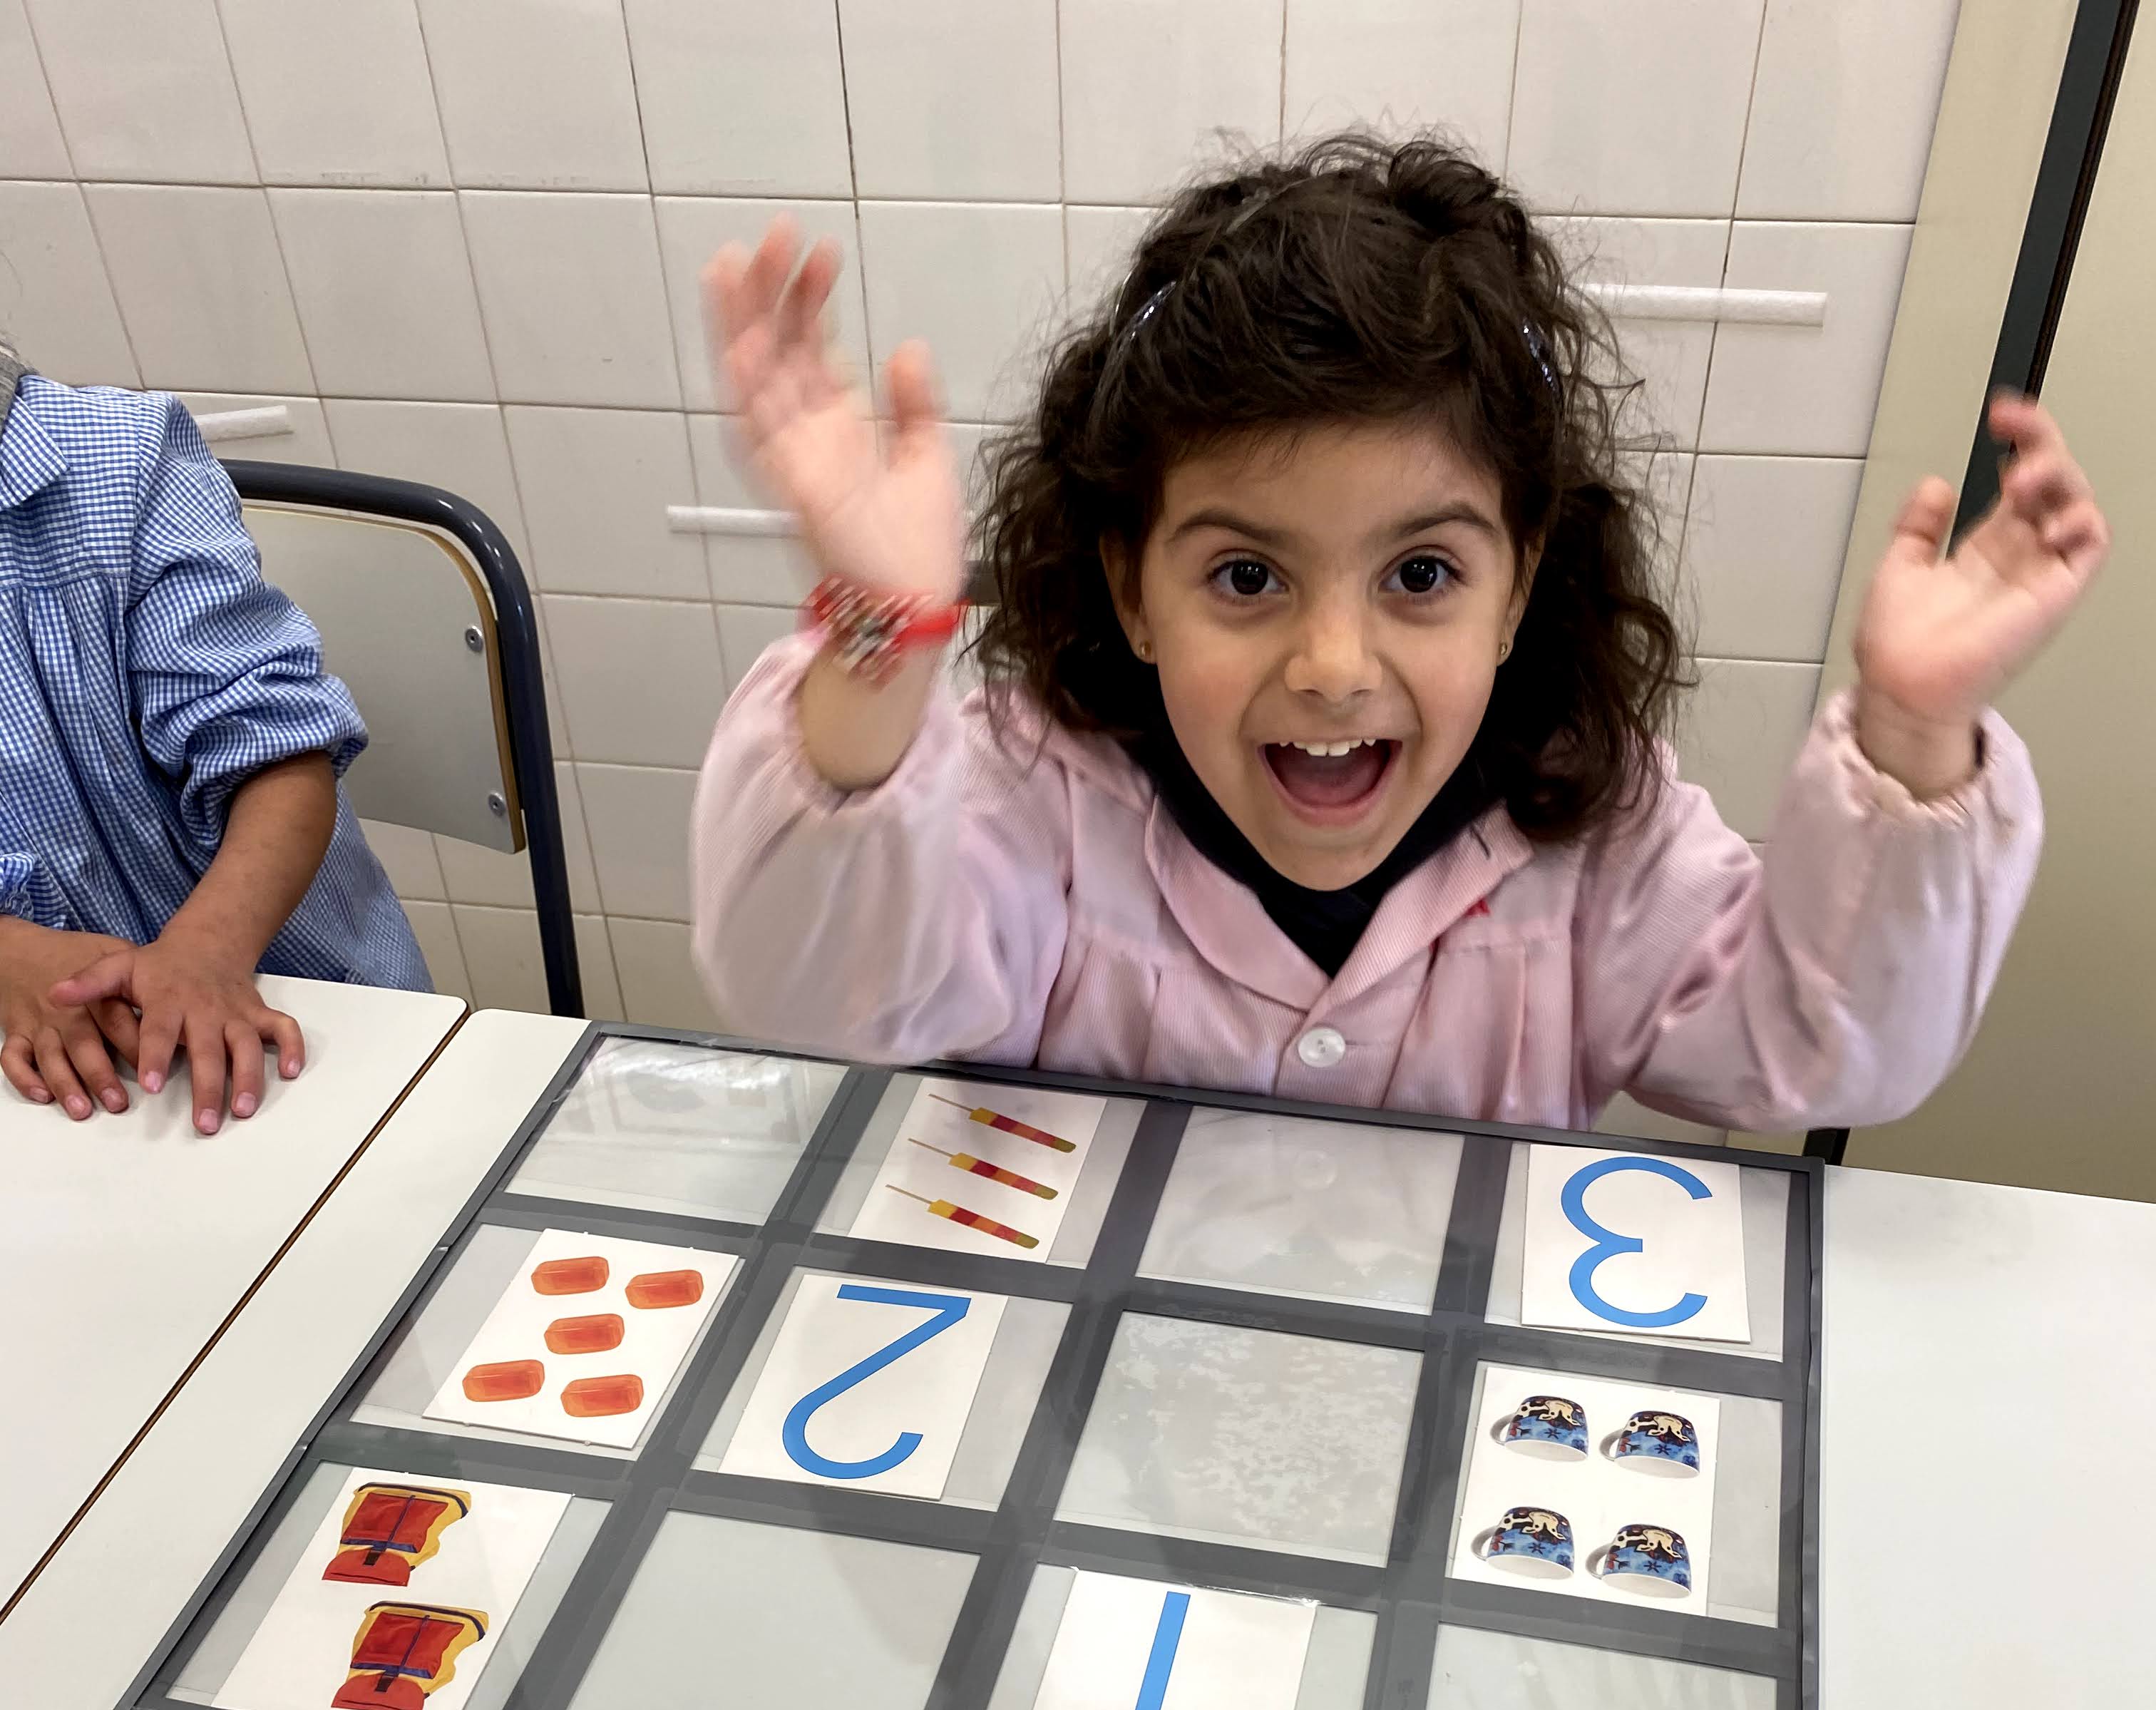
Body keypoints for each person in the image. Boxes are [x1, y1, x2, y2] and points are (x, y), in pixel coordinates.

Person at [689, 135, 2108, 1130]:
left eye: (1420, 574)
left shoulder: (1595, 841)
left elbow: (1822, 1055)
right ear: (1129, 588)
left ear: (1519, 584)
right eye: (1245, 577)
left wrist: (1912, 731)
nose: (1332, 667)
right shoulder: (1036, 800)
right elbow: (816, 991)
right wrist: (885, 635)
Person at [0, 337, 428, 1134]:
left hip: (303, 1002)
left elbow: (280, 752)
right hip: (56, 1081)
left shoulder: (118, 459)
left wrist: (208, 947)